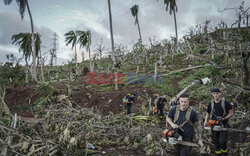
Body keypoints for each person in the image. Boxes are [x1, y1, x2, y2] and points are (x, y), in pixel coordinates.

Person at [204, 88, 233, 156]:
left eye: (217, 93)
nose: (216, 95)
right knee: (215, 141)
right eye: (214, 94)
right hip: (214, 124)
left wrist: (224, 118)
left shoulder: (225, 102)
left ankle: (224, 153)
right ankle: (218, 154)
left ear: (220, 94)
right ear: (212, 94)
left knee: (222, 141)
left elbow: (231, 113)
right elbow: (208, 113)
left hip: (223, 124)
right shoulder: (211, 103)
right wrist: (205, 121)